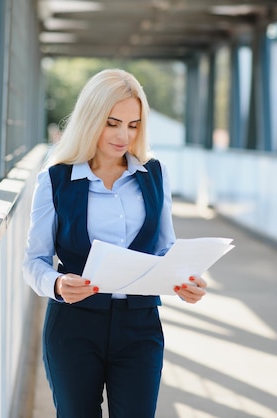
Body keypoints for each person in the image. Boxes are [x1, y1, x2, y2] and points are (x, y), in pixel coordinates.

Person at [23, 68, 208, 418]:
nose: (124, 135)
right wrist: (57, 283)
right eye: (113, 122)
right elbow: (34, 260)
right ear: (91, 118)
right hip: (74, 325)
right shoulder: (55, 180)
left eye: (133, 125)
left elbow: (165, 248)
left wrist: (187, 280)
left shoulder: (155, 175)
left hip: (139, 326)